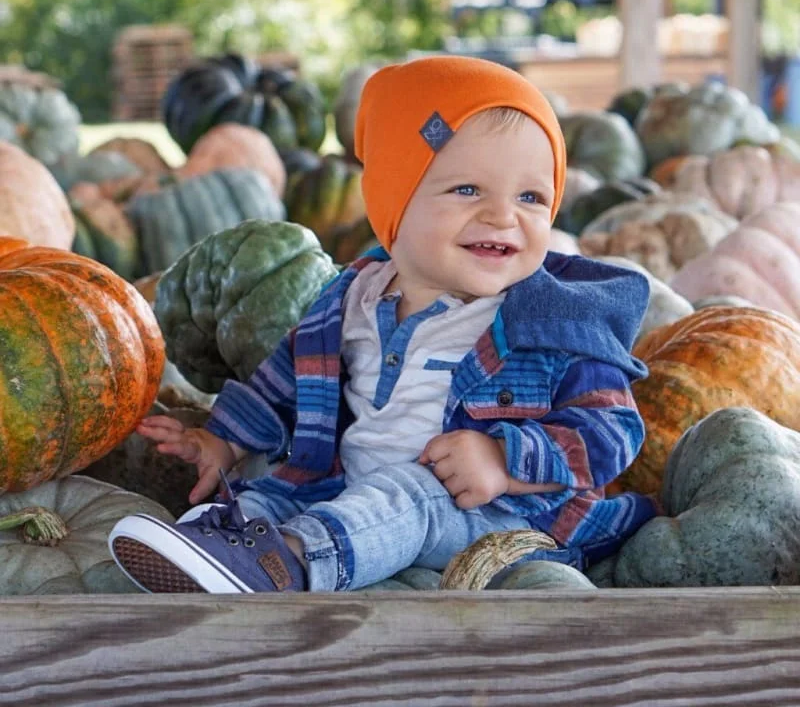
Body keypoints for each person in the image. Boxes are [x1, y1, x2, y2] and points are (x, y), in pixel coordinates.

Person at [109, 55, 658, 594]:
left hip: (491, 518)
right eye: (468, 190)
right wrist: (223, 441)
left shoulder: (552, 319)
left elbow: (612, 433)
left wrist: (504, 462)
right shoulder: (356, 295)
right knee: (265, 494)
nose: (502, 216)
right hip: (351, 493)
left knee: (411, 494)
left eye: (532, 197)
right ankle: (218, 558)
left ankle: (286, 566)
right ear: (395, 199)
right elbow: (286, 383)